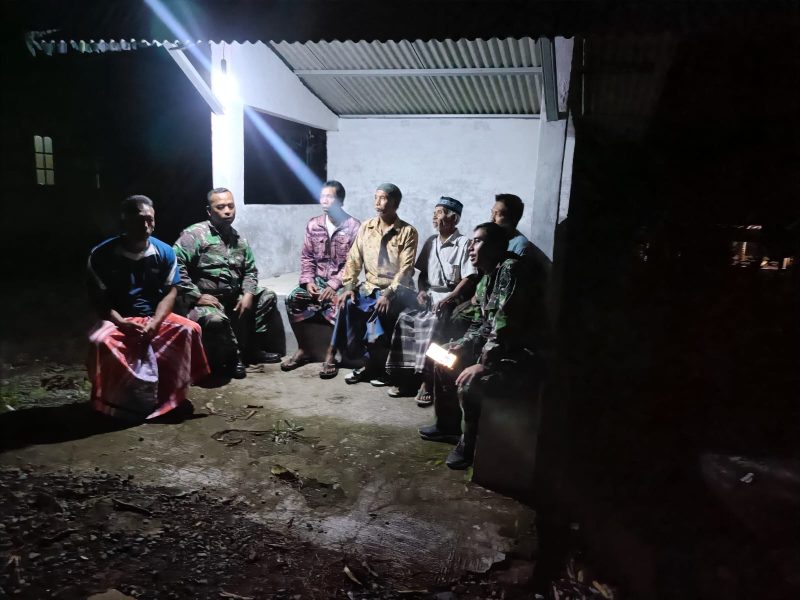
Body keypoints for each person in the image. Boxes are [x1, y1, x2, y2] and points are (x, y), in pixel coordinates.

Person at [418, 222, 549, 469]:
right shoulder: (485, 278)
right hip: (495, 348)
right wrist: (462, 345)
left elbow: (504, 327)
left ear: (497, 247)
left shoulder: (510, 271)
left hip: (518, 355)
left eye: (478, 241)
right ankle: (447, 426)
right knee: (442, 354)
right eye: (471, 241)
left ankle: (468, 447)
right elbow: (480, 325)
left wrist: (483, 364)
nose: (471, 247)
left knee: (470, 383)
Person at [87, 195, 209, 421]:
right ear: (124, 221)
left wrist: (156, 322)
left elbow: (171, 292)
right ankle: (113, 402)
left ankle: (171, 398)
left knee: (190, 329)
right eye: (139, 220)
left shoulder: (165, 252)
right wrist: (121, 322)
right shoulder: (101, 255)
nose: (145, 225)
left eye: (150, 220)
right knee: (99, 340)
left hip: (154, 317)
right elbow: (99, 299)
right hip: (118, 319)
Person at [174, 187, 282, 379]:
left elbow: (250, 271)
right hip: (206, 300)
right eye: (221, 207)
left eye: (230, 206)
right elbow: (175, 265)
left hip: (233, 296)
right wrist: (195, 296)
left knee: (267, 296)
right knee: (216, 320)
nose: (227, 211)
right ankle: (233, 357)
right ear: (209, 211)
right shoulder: (195, 235)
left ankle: (252, 350)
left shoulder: (239, 240)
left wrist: (248, 294)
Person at [320, 183, 418, 381]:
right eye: (376, 197)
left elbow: (406, 269)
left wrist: (388, 294)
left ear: (395, 203)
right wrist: (349, 286)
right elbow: (354, 259)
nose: (377, 203)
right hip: (370, 288)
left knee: (378, 313)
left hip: (397, 291)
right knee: (347, 302)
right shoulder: (367, 227)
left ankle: (375, 366)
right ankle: (339, 354)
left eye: (383, 198)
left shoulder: (408, 232)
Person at [385, 196, 477, 404]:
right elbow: (423, 276)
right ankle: (406, 377)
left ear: (453, 218)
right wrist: (421, 291)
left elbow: (469, 278)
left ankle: (428, 381)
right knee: (405, 319)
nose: (435, 217)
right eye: (434, 213)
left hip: (452, 297)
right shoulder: (431, 242)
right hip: (430, 297)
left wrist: (450, 297)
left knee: (434, 324)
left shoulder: (463, 243)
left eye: (440, 213)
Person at [281, 180, 360, 371]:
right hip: (317, 280)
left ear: (340, 201)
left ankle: (331, 354)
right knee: (293, 299)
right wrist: (308, 281)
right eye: (322, 196)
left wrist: (333, 285)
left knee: (342, 304)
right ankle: (303, 349)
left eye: (329, 197)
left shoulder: (354, 227)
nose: (324, 200)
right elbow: (307, 257)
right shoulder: (314, 224)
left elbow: (353, 264)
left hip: (342, 283)